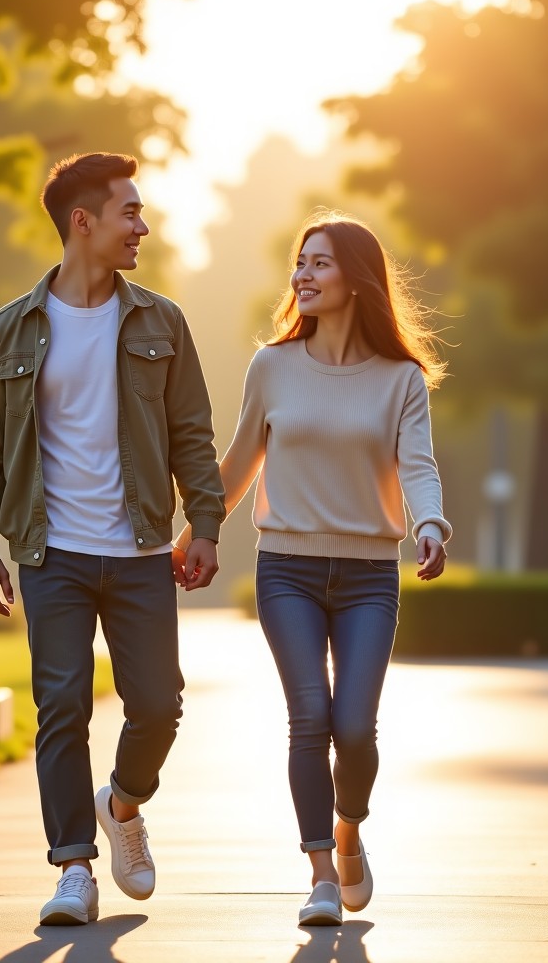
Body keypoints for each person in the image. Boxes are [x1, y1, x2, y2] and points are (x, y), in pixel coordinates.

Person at [0, 152, 225, 926]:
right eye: (129, 212)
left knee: (159, 707)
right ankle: (74, 866)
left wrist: (202, 523)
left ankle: (124, 803)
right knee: (61, 704)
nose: (142, 226)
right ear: (84, 222)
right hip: (53, 553)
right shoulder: (6, 332)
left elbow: (191, 435)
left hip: (142, 551)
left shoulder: (160, 321)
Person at [174, 209, 451, 926]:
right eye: (300, 262)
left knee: (355, 727)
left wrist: (429, 522)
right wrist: (200, 531)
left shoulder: (400, 379)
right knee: (309, 718)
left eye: (319, 262)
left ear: (356, 279)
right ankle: (321, 873)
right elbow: (238, 462)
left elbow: (417, 466)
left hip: (367, 577)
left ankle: (350, 828)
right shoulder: (272, 365)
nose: (303, 274)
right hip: (287, 570)